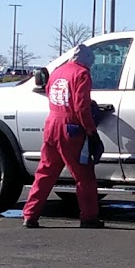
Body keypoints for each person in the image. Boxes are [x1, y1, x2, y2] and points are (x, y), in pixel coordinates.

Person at [22, 44, 104, 228]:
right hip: (72, 129)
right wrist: (91, 131)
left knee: (45, 172)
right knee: (84, 175)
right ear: (87, 62)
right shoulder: (82, 74)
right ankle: (89, 217)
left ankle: (30, 215)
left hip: (52, 126)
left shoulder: (58, 72)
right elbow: (81, 107)